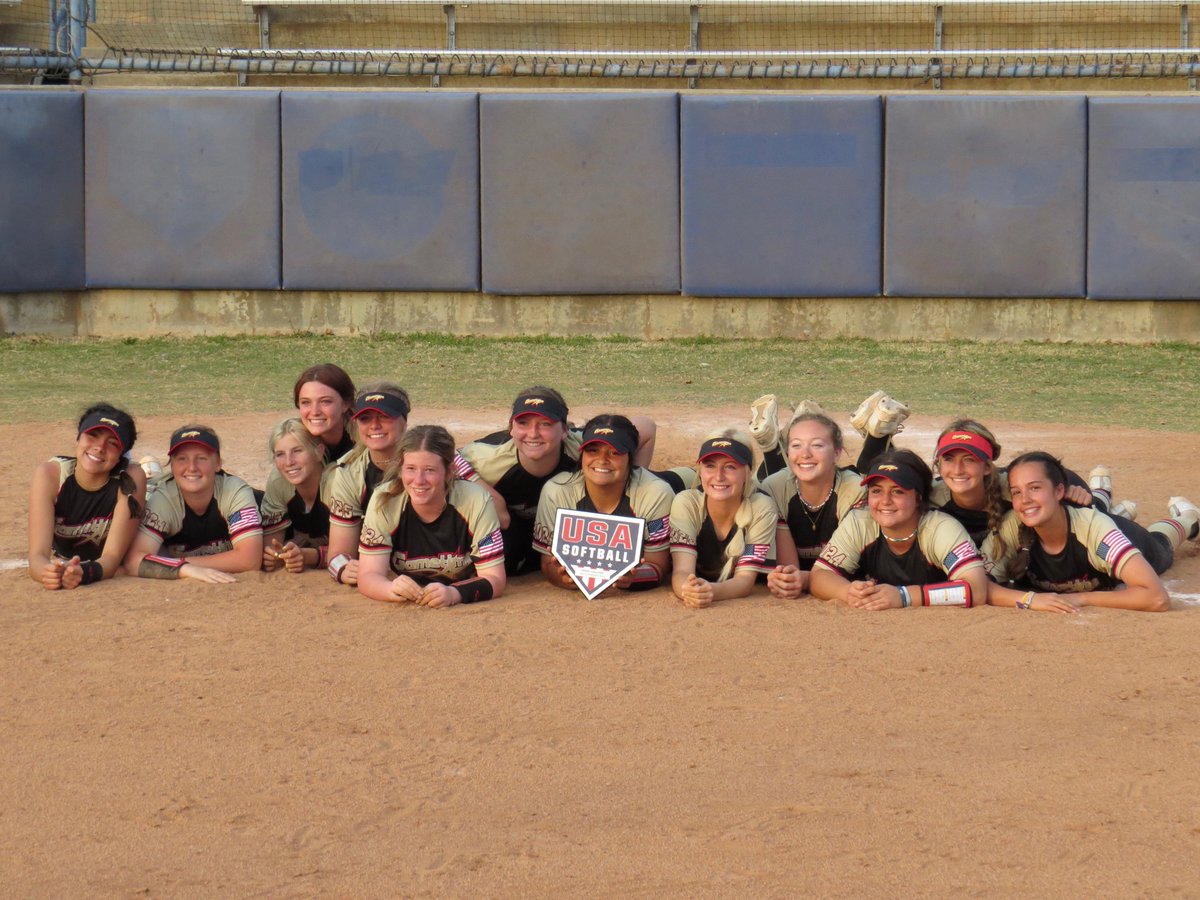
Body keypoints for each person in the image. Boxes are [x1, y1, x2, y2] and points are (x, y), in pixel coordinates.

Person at [457, 387, 691, 575]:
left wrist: (633, 484)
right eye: (523, 423)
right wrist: (478, 482)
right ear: (511, 429)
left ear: (565, 430)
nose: (533, 433)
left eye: (546, 424)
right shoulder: (485, 458)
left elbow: (646, 426)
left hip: (592, 497)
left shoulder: (586, 447)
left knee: (658, 487)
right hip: (528, 523)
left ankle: (689, 477)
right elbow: (444, 457)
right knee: (511, 560)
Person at [986, 451, 1198, 613]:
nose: (1025, 500)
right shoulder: (1013, 526)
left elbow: (1156, 598)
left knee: (1159, 542)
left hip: (1128, 537)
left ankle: (1189, 518)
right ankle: (1103, 496)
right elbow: (980, 584)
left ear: (1059, 490)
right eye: (1016, 492)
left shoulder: (1093, 529)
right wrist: (1029, 600)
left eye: (1035, 488)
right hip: (1094, 523)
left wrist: (1083, 598)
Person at [931, 420, 1134, 564]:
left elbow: (1052, 474)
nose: (957, 470)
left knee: (1089, 508)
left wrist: (1076, 495)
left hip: (1072, 489)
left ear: (986, 466)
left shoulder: (1015, 488)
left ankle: (1100, 497)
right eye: (949, 459)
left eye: (969, 459)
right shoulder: (933, 496)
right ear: (938, 464)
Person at [809, 449, 990, 610]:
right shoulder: (860, 522)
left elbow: (977, 589)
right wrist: (847, 591)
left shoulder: (940, 529)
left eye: (898, 491)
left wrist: (904, 596)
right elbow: (819, 576)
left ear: (918, 497)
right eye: (877, 491)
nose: (885, 500)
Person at [357, 425, 506, 607]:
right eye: (410, 468)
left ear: (449, 471)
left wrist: (454, 593)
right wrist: (389, 589)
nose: (419, 480)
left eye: (429, 470)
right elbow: (368, 575)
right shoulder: (385, 500)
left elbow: (495, 578)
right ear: (400, 469)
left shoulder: (475, 499)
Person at [534, 414, 673, 594]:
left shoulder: (656, 494)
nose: (602, 459)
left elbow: (659, 565)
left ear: (631, 457)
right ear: (581, 453)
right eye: (593, 450)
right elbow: (547, 564)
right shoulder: (557, 491)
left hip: (671, 482)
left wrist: (635, 577)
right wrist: (562, 577)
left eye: (615, 452)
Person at [762, 405, 889, 600]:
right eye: (796, 445)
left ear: (837, 454)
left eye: (817, 445)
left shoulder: (855, 491)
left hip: (839, 573)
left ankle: (877, 436)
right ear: (787, 452)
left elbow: (850, 568)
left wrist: (804, 579)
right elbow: (790, 571)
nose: (805, 454)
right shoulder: (775, 488)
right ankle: (770, 447)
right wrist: (787, 579)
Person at [27, 403, 147, 590]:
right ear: (78, 438)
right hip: (69, 557)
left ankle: (151, 469)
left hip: (143, 498)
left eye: (113, 443)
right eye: (92, 435)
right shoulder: (51, 476)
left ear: (122, 455)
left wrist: (85, 573)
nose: (100, 447)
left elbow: (112, 558)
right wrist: (48, 573)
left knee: (150, 485)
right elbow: (37, 556)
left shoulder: (131, 479)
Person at [124, 425, 263, 582]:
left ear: (218, 463)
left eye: (201, 458)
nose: (192, 467)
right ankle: (152, 474)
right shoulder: (163, 499)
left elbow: (250, 559)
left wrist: (176, 563)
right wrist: (185, 569)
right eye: (182, 459)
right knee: (150, 489)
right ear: (172, 465)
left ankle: (152, 470)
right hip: (157, 489)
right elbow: (133, 561)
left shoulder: (235, 491)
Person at [669, 430, 777, 608]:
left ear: (748, 473)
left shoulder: (761, 506)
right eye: (710, 466)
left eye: (730, 466)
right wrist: (687, 590)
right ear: (700, 472)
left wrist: (711, 591)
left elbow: (745, 581)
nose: (718, 476)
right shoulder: (687, 503)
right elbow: (681, 571)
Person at [323, 383, 410, 587]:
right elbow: (337, 554)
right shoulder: (348, 473)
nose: (374, 426)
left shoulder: (432, 459)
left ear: (404, 422)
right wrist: (344, 569)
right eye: (365, 418)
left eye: (384, 417)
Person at [260, 417, 333, 573]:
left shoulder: (337, 482)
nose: (289, 462)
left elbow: (353, 551)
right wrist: (276, 555)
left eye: (297, 451)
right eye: (280, 454)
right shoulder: (278, 481)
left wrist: (308, 556)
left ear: (319, 452)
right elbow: (273, 546)